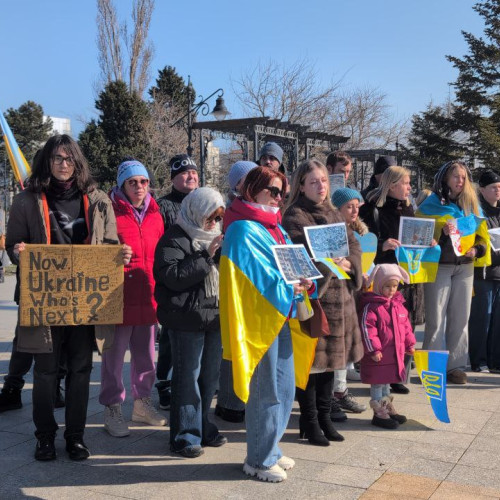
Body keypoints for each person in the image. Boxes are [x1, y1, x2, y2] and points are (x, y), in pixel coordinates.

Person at [5, 134, 130, 461]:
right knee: (45, 373)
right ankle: (45, 436)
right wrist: (18, 251)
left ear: (78, 162)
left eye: (69, 158)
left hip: (85, 301)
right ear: (47, 161)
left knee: (81, 370)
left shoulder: (98, 199)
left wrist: (120, 254)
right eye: (57, 158)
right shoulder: (27, 200)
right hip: (45, 299)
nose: (63, 164)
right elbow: (13, 245)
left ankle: (75, 436)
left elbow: (110, 245)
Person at [220, 166, 314, 482]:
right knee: (266, 390)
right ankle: (258, 459)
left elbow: (294, 264)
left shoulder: (275, 227)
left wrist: (307, 280)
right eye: (272, 191)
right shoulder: (242, 229)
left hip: (282, 315)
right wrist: (290, 287)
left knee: (284, 387)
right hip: (259, 321)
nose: (278, 198)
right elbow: (255, 277)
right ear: (253, 189)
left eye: (282, 192)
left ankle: (270, 448)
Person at [282, 160, 364, 446]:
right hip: (316, 300)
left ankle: (326, 416)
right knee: (312, 366)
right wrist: (330, 262)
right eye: (314, 181)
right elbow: (298, 255)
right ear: (301, 185)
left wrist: (351, 262)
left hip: (341, 299)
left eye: (324, 181)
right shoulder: (294, 216)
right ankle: (309, 420)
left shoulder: (333, 212)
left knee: (332, 364)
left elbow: (353, 244)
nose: (321, 186)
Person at [154, 187, 226, 458]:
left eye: (218, 218)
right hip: (185, 319)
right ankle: (184, 434)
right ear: (196, 212)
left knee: (210, 377)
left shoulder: (215, 238)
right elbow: (172, 276)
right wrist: (206, 256)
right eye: (210, 217)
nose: (213, 224)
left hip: (215, 316)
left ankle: (202, 424)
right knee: (187, 378)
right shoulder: (174, 238)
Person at [100, 159, 166, 437]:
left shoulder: (156, 212)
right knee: (113, 359)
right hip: (118, 296)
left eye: (143, 181)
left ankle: (142, 404)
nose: (139, 187)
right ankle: (113, 409)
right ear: (121, 185)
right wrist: (112, 255)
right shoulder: (108, 211)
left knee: (146, 357)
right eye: (132, 182)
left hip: (149, 295)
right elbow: (94, 248)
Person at [417, 161, 487, 384]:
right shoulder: (430, 205)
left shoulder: (472, 205)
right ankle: (432, 368)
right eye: (456, 176)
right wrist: (443, 233)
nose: (460, 181)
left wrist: (477, 249)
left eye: (464, 177)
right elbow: (421, 235)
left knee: (461, 318)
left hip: (465, 268)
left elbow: (483, 236)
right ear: (445, 179)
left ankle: (456, 367)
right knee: (436, 320)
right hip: (440, 266)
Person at [359, 166, 425, 394]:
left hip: (408, 276)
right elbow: (362, 242)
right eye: (406, 183)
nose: (409, 188)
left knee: (405, 325)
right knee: (384, 327)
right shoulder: (371, 209)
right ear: (393, 184)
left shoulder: (408, 209)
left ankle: (400, 374)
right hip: (383, 277)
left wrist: (428, 244)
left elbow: (416, 238)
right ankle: (382, 374)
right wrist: (382, 245)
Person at [155, 154, 199, 410]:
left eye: (193, 172)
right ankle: (165, 384)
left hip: (199, 277)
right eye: (184, 173)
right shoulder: (163, 206)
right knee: (170, 337)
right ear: (174, 178)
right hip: (174, 279)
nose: (190, 176)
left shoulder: (204, 201)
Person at [215, 160, 257, 423]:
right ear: (239, 185)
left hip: (253, 285)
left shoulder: (255, 208)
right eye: (250, 178)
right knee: (234, 343)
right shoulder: (235, 211)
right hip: (240, 282)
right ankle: (230, 402)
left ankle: (241, 399)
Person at [358, 264, 416, 429]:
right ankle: (379, 412)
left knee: (386, 382)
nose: (391, 290)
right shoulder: (372, 306)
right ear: (378, 285)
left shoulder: (398, 305)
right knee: (377, 382)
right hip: (379, 354)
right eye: (387, 286)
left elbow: (406, 327)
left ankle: (386, 407)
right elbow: (368, 329)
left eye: (394, 286)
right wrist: (373, 349)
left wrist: (410, 343)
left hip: (393, 354)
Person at [468, 170, 500, 372]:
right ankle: (478, 360)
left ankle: (495, 361)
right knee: (482, 319)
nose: (498, 191)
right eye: (493, 188)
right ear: (481, 190)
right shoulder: (477, 213)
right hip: (484, 273)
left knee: (497, 321)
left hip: (499, 273)